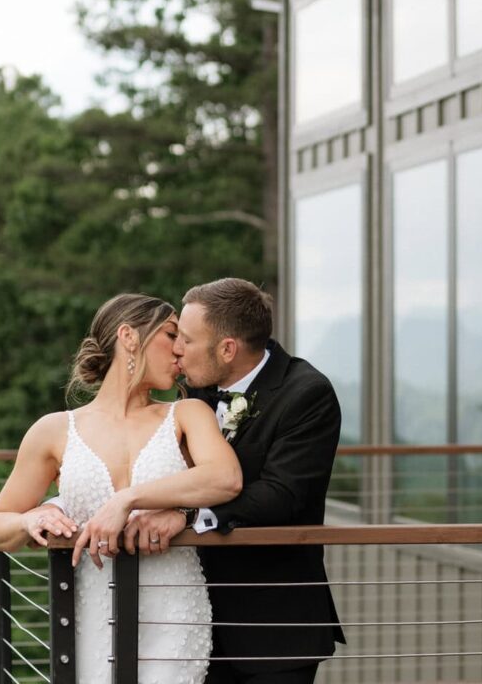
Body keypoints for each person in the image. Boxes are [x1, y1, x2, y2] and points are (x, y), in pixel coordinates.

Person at [0, 293, 242, 684]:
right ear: (129, 336)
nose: (179, 350)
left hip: (173, 610)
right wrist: (29, 518)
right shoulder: (53, 430)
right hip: (91, 613)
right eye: (170, 334)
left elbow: (225, 478)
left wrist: (128, 500)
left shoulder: (187, 413)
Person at [124, 277, 345, 684]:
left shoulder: (307, 394)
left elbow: (283, 495)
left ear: (227, 349)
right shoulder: (194, 388)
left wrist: (188, 514)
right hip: (190, 619)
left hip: (273, 626)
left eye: (187, 340)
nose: (176, 349)